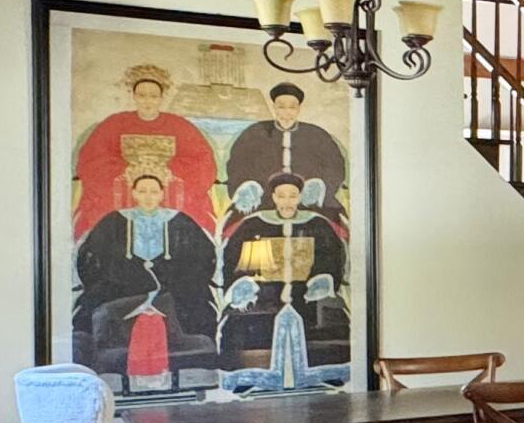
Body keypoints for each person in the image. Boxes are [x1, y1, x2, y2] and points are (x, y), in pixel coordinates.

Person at [71, 168, 219, 391]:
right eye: (143, 191)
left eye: (153, 191)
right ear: (134, 194)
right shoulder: (112, 222)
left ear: (161, 194)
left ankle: (190, 383)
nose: (148, 197)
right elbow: (89, 261)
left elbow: (204, 260)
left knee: (200, 314)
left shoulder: (180, 222)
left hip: (173, 293)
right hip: (122, 295)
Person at [217, 172, 350, 385]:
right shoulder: (253, 224)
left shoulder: (317, 224)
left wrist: (322, 278)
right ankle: (250, 377)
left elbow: (333, 256)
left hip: (305, 291)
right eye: (282, 196)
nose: (287, 201)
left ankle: (323, 375)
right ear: (274, 197)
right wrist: (245, 282)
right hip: (265, 292)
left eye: (292, 196)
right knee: (244, 325)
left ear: (299, 197)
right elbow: (234, 258)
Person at [71, 62, 219, 237]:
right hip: (125, 187)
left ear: (161, 97)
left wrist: (169, 171)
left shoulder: (180, 126)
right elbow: (92, 160)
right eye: (141, 95)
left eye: (153, 96)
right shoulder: (115, 124)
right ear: (133, 96)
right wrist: (125, 171)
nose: (147, 101)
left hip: (168, 187)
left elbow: (202, 161)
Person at [223, 81, 348, 225]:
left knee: (337, 226)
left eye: (292, 107)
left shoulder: (317, 135)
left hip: (309, 200)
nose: (286, 113)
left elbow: (335, 166)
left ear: (299, 108)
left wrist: (319, 187)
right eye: (281, 107)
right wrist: (250, 187)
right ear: (274, 107)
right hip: (264, 200)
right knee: (234, 226)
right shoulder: (254, 133)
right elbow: (236, 165)